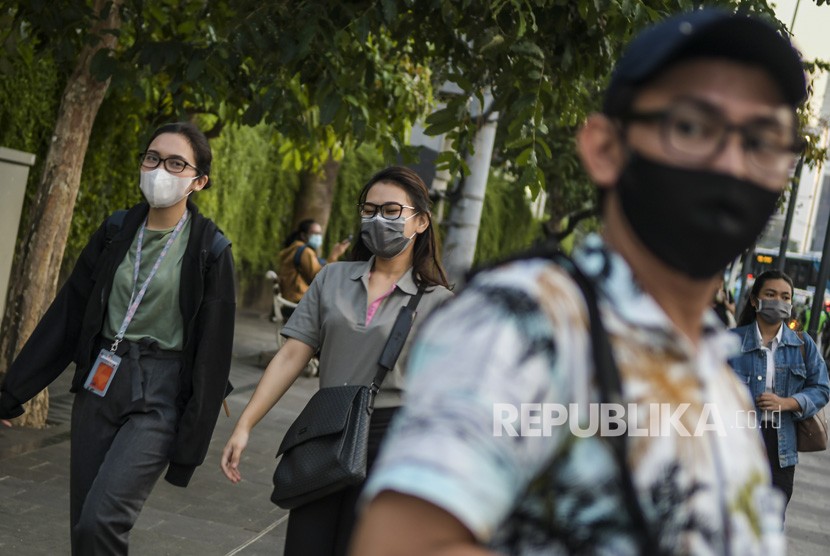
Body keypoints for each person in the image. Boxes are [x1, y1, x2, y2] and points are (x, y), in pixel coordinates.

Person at [352, 9, 809, 555]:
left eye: (764, 140)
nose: (732, 161)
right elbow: (403, 545)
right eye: (691, 126)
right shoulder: (529, 319)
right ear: (605, 148)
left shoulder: (718, 377)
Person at [0, 122, 236, 555]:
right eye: (152, 157)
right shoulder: (117, 230)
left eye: (175, 163)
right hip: (100, 380)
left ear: (198, 181)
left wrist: (191, 444)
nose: (159, 169)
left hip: (159, 395)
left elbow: (214, 354)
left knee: (100, 520)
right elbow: (69, 313)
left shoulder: (211, 250)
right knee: (82, 527)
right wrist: (11, 391)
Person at [220, 166, 453, 556]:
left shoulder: (440, 303)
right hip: (326, 430)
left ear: (421, 221)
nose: (379, 219)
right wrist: (245, 425)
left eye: (392, 210)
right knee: (305, 544)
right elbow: (292, 354)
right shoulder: (331, 279)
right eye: (370, 209)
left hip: (392, 440)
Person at [729, 270, 829, 511]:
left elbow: (822, 388)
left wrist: (788, 403)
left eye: (785, 297)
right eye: (771, 294)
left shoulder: (802, 344)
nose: (779, 301)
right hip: (736, 440)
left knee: (770, 521)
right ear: (754, 300)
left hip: (780, 445)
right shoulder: (730, 342)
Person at [277, 219, 350, 320]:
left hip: (290, 300)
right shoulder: (305, 251)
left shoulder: (294, 249)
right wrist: (334, 256)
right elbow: (319, 278)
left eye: (320, 233)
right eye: (315, 233)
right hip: (297, 303)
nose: (318, 236)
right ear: (303, 235)